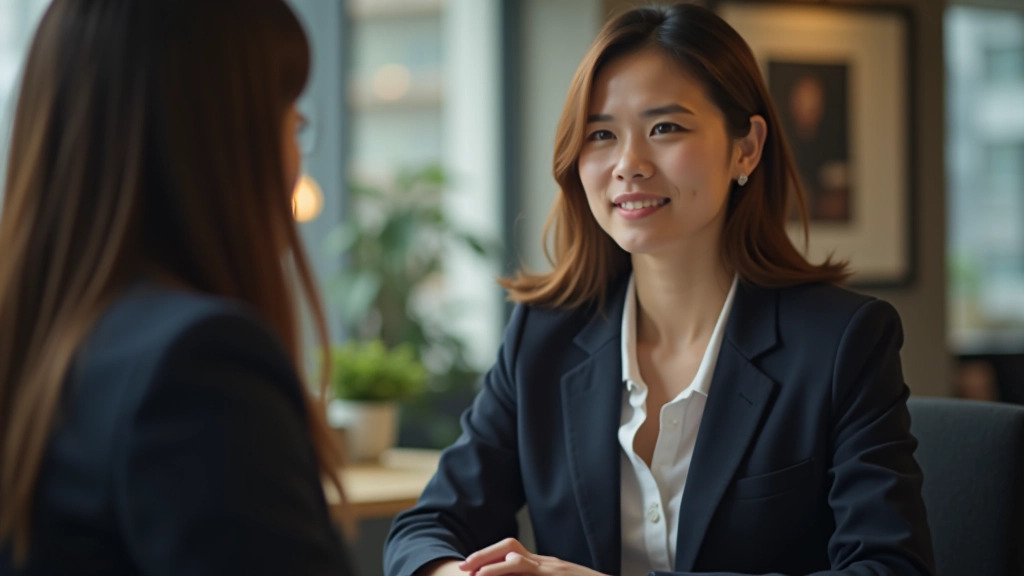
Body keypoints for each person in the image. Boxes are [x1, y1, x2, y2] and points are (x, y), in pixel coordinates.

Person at [384, 4, 934, 576]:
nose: (629, 164)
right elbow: (426, 529)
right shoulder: (542, 336)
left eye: (665, 128)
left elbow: (890, 567)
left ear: (745, 147)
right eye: (601, 134)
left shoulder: (843, 343)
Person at [0, 1, 354, 574]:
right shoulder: (198, 364)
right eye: (295, 122)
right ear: (222, 140)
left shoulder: (42, 345)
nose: (296, 159)